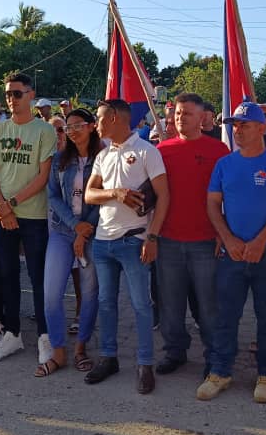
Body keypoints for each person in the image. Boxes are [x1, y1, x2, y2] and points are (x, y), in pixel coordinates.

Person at [198, 101, 266, 404]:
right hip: (233, 253)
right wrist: (227, 238)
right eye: (235, 125)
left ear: (262, 128)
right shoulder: (225, 164)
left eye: (244, 125)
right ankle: (220, 371)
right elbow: (213, 204)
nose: (237, 130)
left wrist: (260, 242)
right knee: (226, 316)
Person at [83, 99, 169, 395]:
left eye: (99, 118)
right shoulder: (103, 155)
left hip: (134, 240)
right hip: (103, 241)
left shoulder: (147, 151)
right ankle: (109, 357)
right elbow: (89, 195)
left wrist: (153, 237)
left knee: (141, 305)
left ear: (116, 118)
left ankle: (145, 363)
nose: (96, 124)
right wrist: (116, 193)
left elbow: (164, 197)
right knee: (106, 303)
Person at [154, 93, 230, 376]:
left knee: (209, 306)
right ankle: (175, 351)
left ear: (203, 118)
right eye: (176, 113)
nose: (180, 118)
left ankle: (215, 354)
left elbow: (228, 196)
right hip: (169, 240)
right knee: (171, 305)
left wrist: (224, 232)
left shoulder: (219, 151)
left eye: (186, 113)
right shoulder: (162, 150)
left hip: (205, 241)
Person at [0, 74, 57, 364]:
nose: (11, 99)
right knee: (7, 276)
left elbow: (43, 175)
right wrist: (1, 205)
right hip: (2, 214)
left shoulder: (44, 130)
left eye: (17, 93)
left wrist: (11, 204)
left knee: (39, 278)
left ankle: (45, 336)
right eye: (8, 94)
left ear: (30, 95)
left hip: (32, 215)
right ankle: (12, 334)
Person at [40, 108, 101, 377]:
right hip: (62, 231)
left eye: (78, 125)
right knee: (51, 295)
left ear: (92, 127)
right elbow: (53, 196)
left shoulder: (104, 158)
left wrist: (84, 231)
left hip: (93, 232)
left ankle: (80, 348)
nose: (72, 131)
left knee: (89, 295)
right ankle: (59, 351)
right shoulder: (59, 160)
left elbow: (103, 197)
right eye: (68, 126)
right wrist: (75, 226)